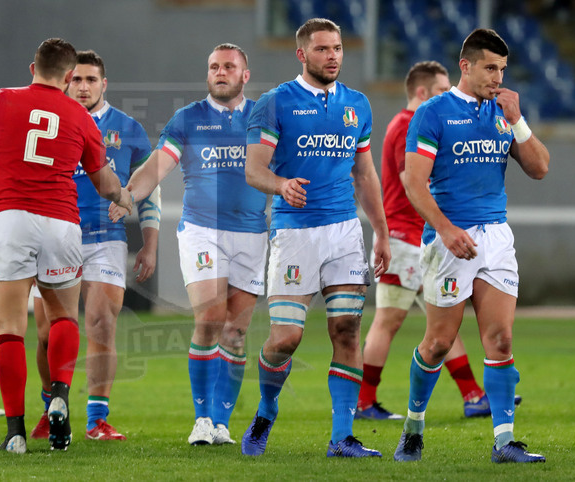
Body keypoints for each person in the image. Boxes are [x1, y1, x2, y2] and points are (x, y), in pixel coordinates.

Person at [0, 37, 131, 454]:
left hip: (8, 220)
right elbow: (103, 182)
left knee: (10, 330)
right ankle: (60, 393)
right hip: (61, 222)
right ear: (67, 77)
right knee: (64, 317)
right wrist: (123, 197)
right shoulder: (81, 116)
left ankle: (15, 433)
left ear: (32, 68)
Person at [393, 28, 549, 464]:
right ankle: (413, 428)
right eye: (489, 68)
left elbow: (539, 168)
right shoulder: (434, 112)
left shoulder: (504, 112)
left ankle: (504, 441)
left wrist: (517, 119)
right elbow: (414, 183)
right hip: (449, 240)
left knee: (499, 339)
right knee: (439, 343)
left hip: (496, 236)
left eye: (502, 69)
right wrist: (444, 228)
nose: (497, 77)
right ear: (465, 66)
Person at [240, 18, 390, 458]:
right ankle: (267, 409)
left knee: (347, 329)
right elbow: (254, 170)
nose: (333, 56)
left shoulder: (357, 104)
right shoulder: (274, 103)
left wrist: (381, 232)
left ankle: (341, 437)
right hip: (294, 232)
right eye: (323, 49)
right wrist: (281, 184)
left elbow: (364, 173)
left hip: (344, 231)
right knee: (286, 338)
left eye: (338, 48)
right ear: (302, 55)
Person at [110, 43, 267, 446]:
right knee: (211, 318)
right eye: (214, 66)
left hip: (252, 233)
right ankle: (202, 418)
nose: (220, 72)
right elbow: (158, 166)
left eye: (229, 67)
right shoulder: (188, 119)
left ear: (244, 75)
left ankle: (221, 424)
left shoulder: (262, 118)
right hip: (203, 230)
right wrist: (129, 192)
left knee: (235, 333)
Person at [358, 61, 511, 420]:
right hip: (407, 237)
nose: (448, 96)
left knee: (443, 326)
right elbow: (413, 180)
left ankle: (473, 394)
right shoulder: (408, 125)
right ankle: (363, 401)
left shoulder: (412, 123)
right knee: (388, 321)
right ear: (422, 92)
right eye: (441, 90)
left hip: (419, 238)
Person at [29, 49, 160, 442]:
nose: (83, 86)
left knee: (102, 323)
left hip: (106, 239)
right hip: (53, 235)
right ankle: (51, 406)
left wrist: (150, 244)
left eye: (91, 80)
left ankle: (96, 419)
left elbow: (149, 190)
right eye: (76, 79)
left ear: (104, 84)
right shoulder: (48, 120)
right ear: (65, 79)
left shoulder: (127, 128)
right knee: (47, 333)